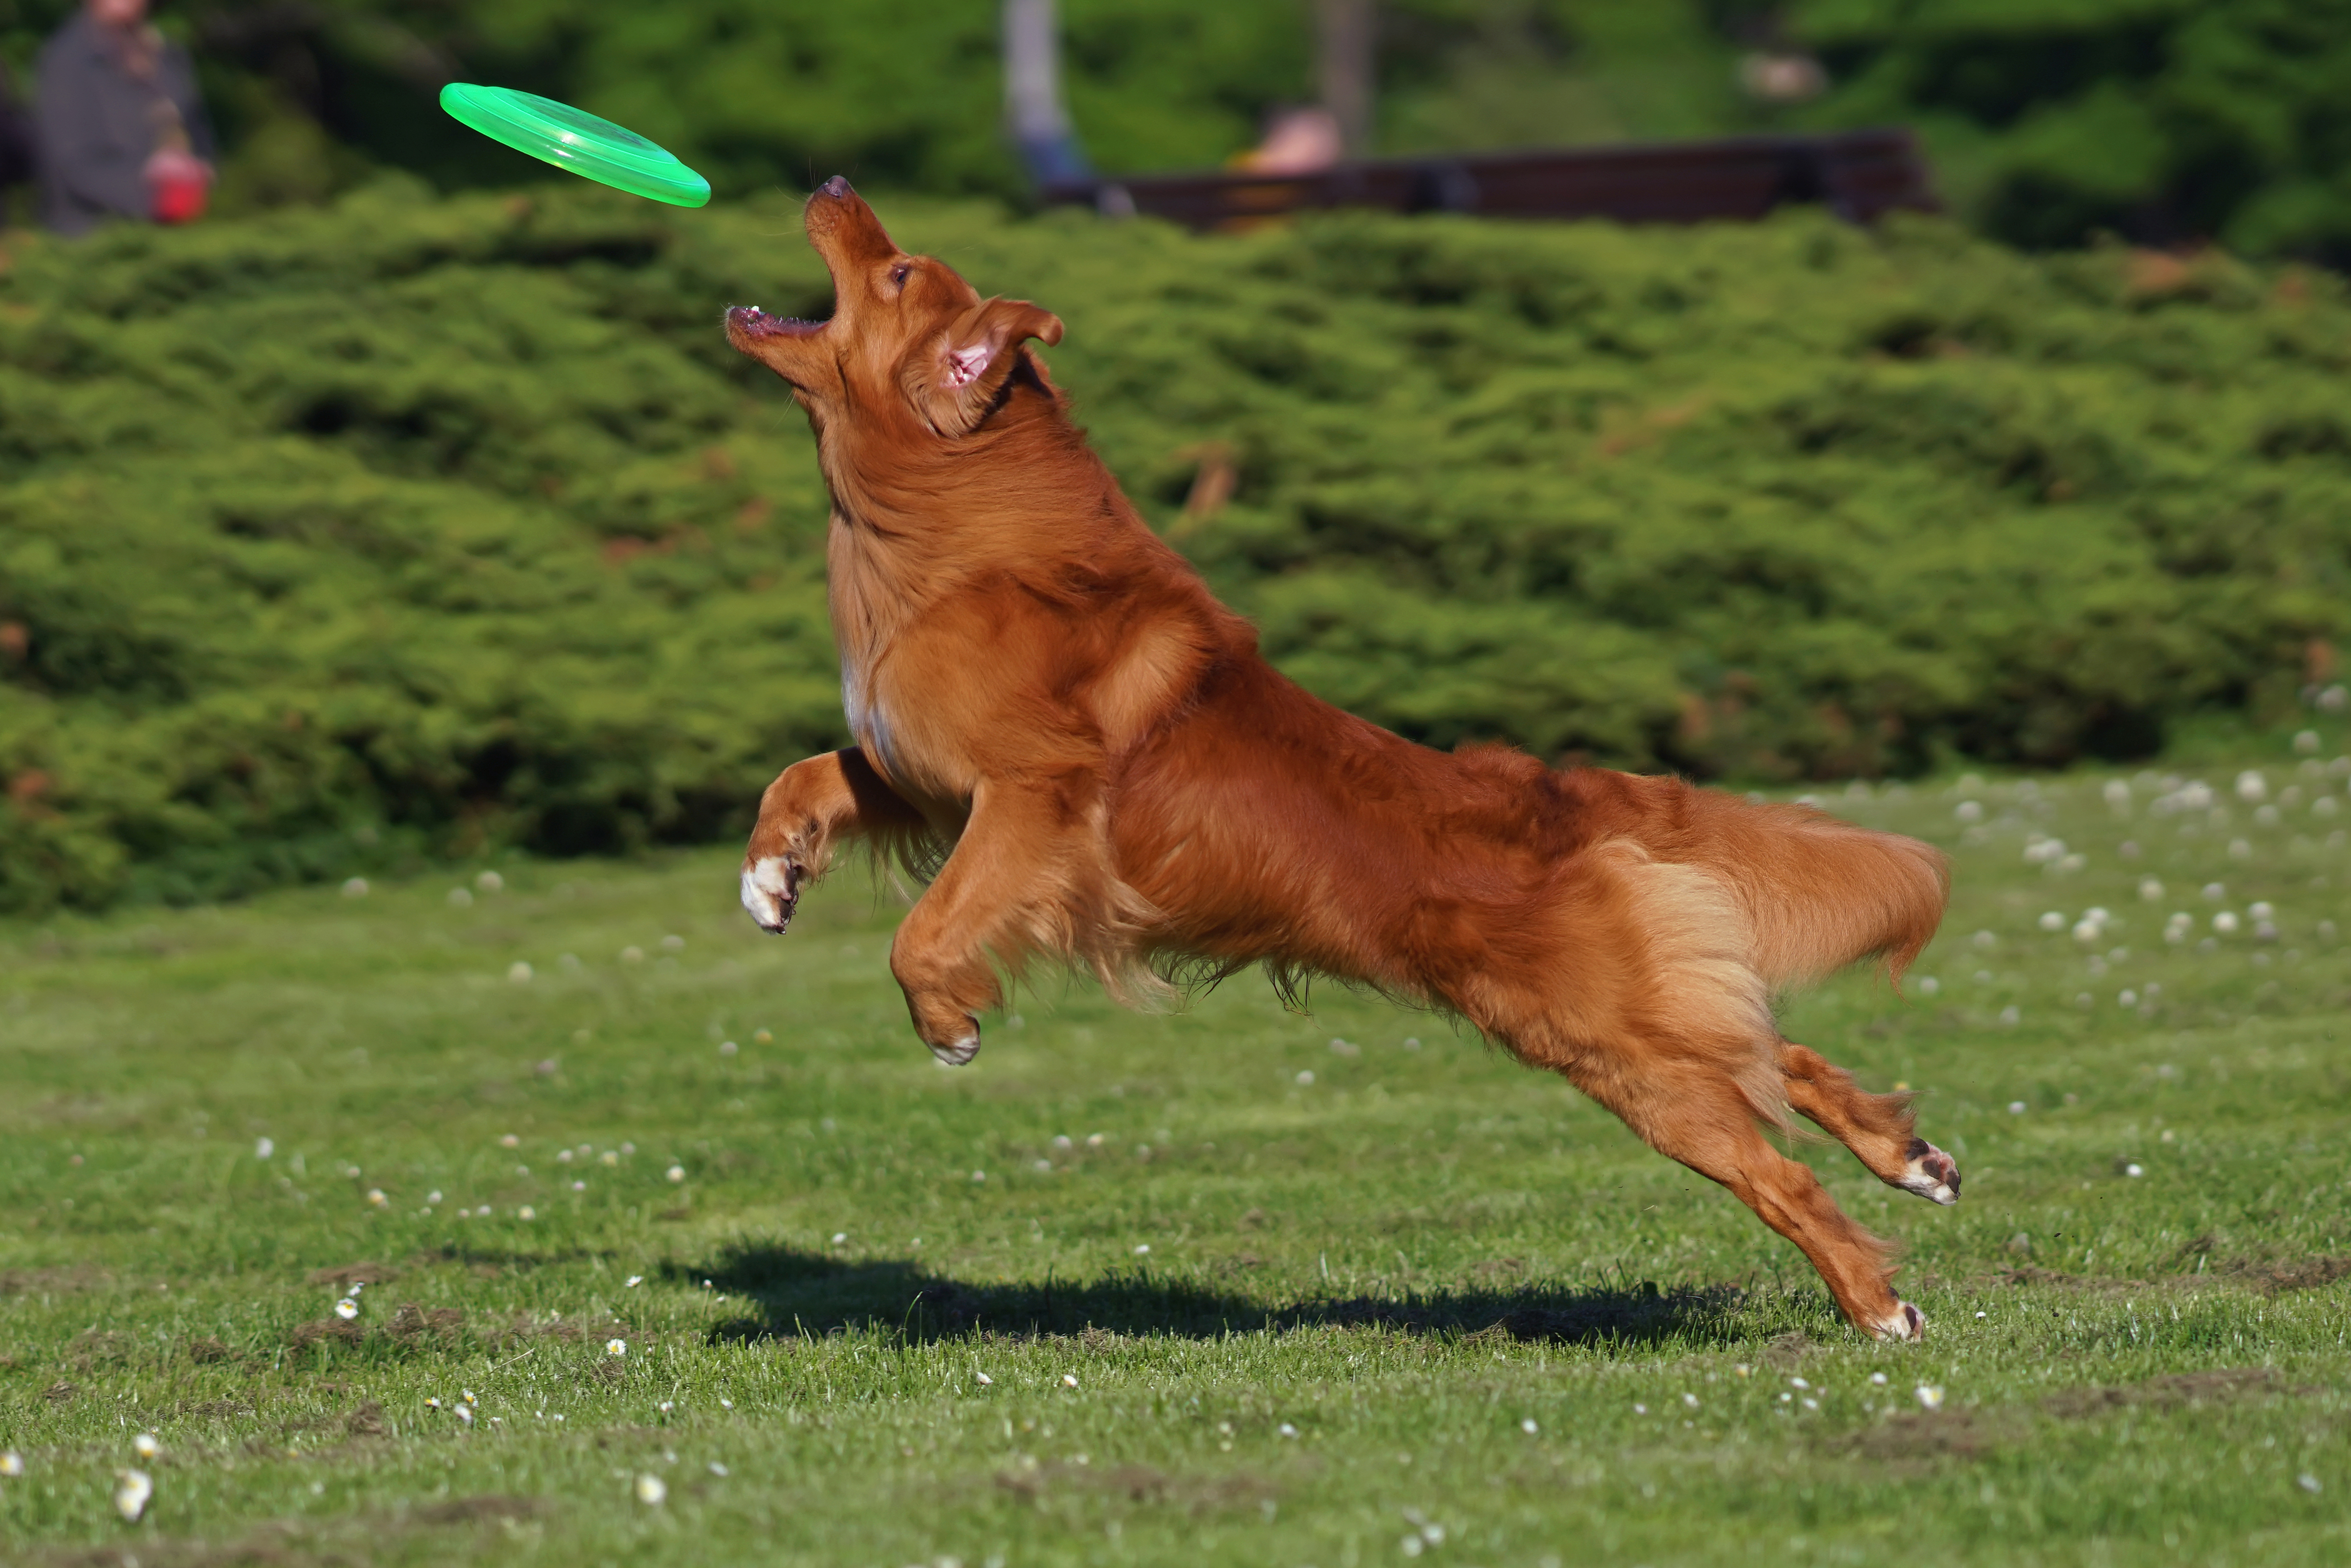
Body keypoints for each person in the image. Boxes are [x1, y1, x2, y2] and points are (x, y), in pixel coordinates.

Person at [36, 0, 215, 236]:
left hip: (173, 228)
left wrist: (198, 170)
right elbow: (72, 163)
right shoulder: (66, 61)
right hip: (93, 236)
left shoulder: (167, 55)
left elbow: (198, 134)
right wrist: (150, 188)